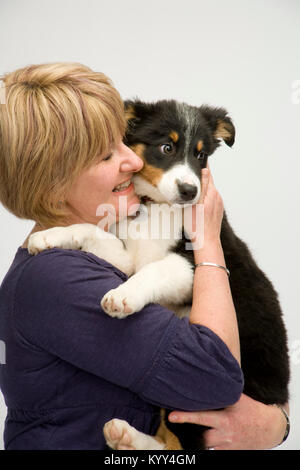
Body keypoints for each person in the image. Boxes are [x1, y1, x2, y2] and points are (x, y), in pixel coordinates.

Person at [0, 63, 288, 450]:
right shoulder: (56, 280)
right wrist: (209, 243)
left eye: (123, 142)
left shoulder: (101, 242)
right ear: (53, 188)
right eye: (106, 156)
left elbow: (127, 263)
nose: (134, 161)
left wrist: (277, 421)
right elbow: (214, 379)